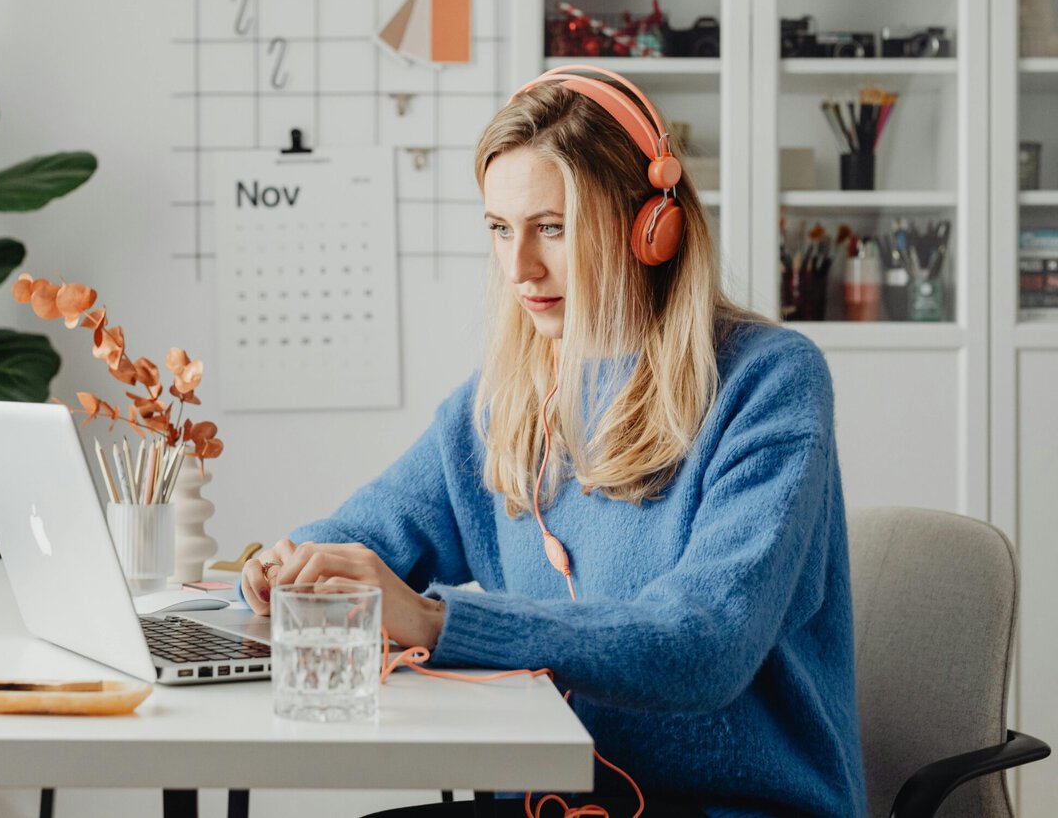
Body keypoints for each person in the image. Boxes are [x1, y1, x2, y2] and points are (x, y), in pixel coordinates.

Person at [240, 67, 866, 818]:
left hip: (724, 805)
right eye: (501, 230)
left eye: (552, 228)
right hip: (556, 798)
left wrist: (437, 622)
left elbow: (705, 643)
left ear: (651, 227)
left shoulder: (768, 383)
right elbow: (367, 534)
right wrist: (293, 566)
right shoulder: (504, 400)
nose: (519, 268)